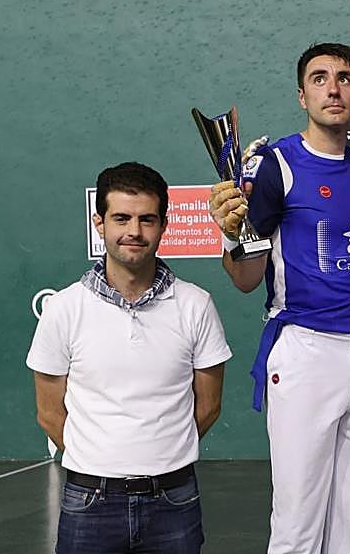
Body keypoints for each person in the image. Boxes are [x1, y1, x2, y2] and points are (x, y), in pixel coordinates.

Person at [208, 43, 350, 554]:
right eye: (319, 79)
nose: (333, 88)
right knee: (297, 519)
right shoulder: (276, 165)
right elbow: (246, 278)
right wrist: (229, 234)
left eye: (344, 78)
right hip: (306, 350)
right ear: (301, 95)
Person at [27, 162, 231, 554]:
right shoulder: (64, 308)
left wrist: (161, 454)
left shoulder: (196, 305)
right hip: (88, 501)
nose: (134, 232)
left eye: (146, 219)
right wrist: (101, 460)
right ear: (99, 223)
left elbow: (208, 405)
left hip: (175, 499)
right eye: (121, 218)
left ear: (164, 225)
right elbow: (49, 413)